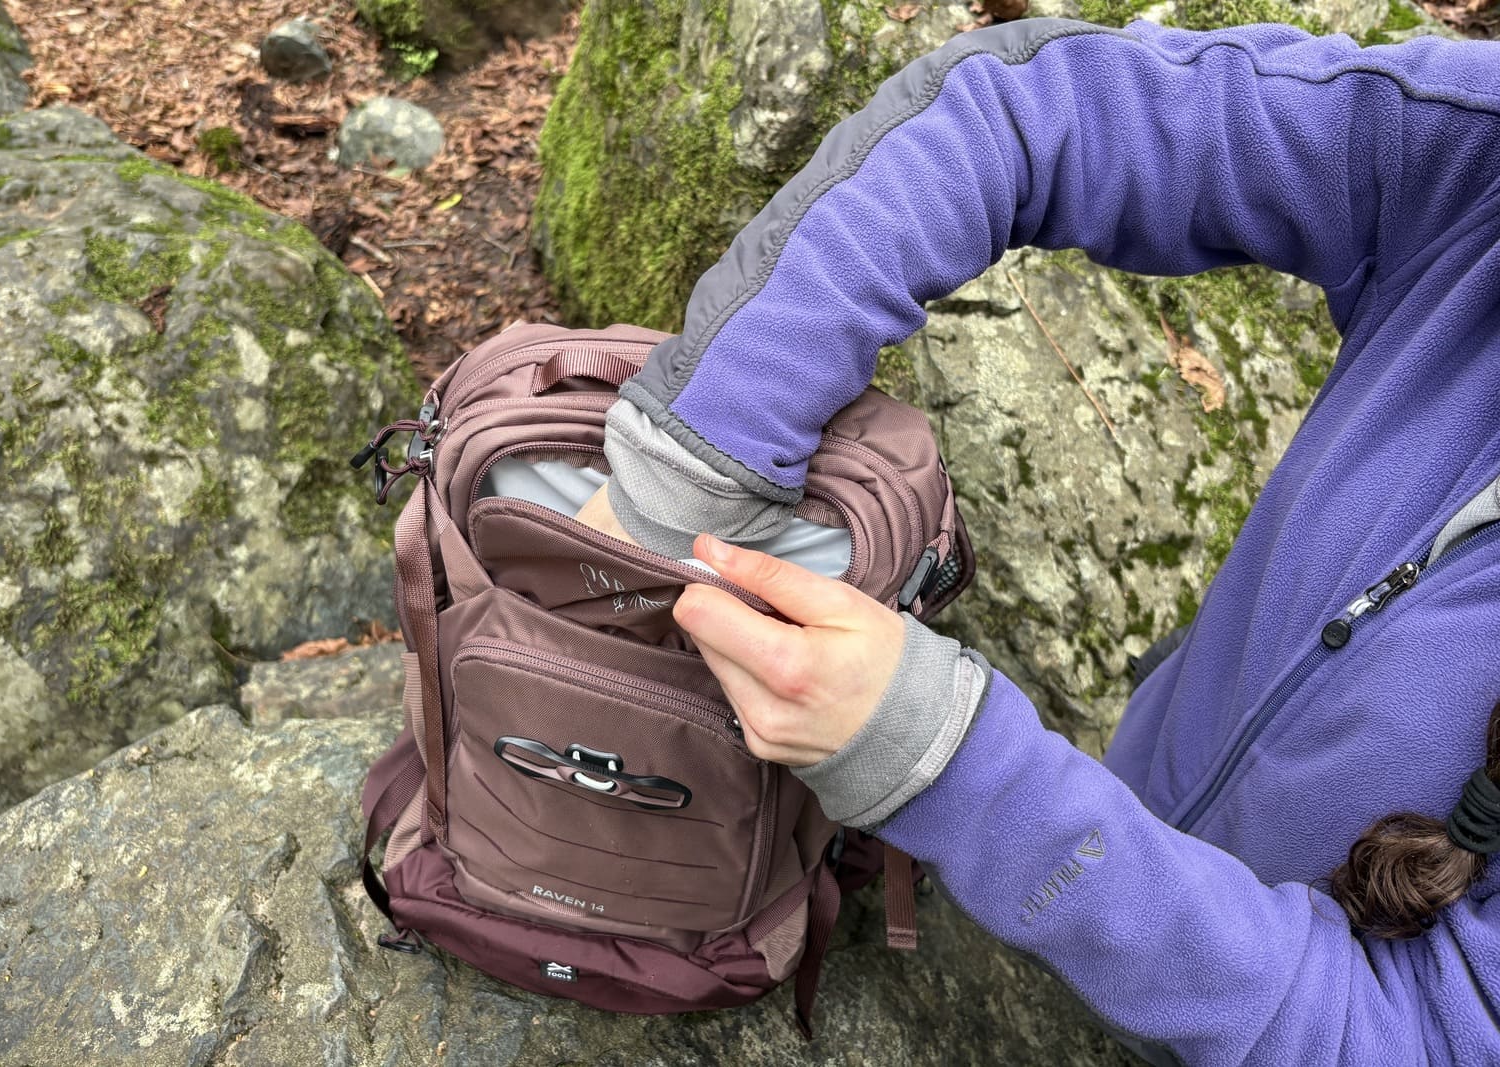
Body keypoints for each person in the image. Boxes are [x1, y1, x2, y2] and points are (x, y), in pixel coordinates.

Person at [571, 15, 1500, 1065]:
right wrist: (699, 454)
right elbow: (1030, 109)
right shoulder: (1477, 158)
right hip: (1135, 789)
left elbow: (1410, 1038)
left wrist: (957, 769)